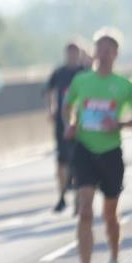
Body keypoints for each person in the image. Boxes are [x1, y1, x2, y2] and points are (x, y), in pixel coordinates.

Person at [64, 28, 132, 263]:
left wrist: (119, 123)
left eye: (109, 49)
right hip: (85, 150)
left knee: (110, 215)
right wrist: (70, 123)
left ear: (116, 54)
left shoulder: (124, 85)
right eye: (100, 48)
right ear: (94, 51)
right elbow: (67, 105)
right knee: (85, 210)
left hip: (111, 152)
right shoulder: (81, 81)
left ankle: (113, 261)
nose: (104, 53)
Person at [45, 42, 87, 212]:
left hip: (81, 123)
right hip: (62, 122)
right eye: (69, 52)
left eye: (75, 52)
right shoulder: (59, 72)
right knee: (62, 160)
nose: (72, 56)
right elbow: (49, 90)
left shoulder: (84, 72)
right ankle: (62, 195)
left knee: (78, 160)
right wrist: (51, 108)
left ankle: (79, 196)